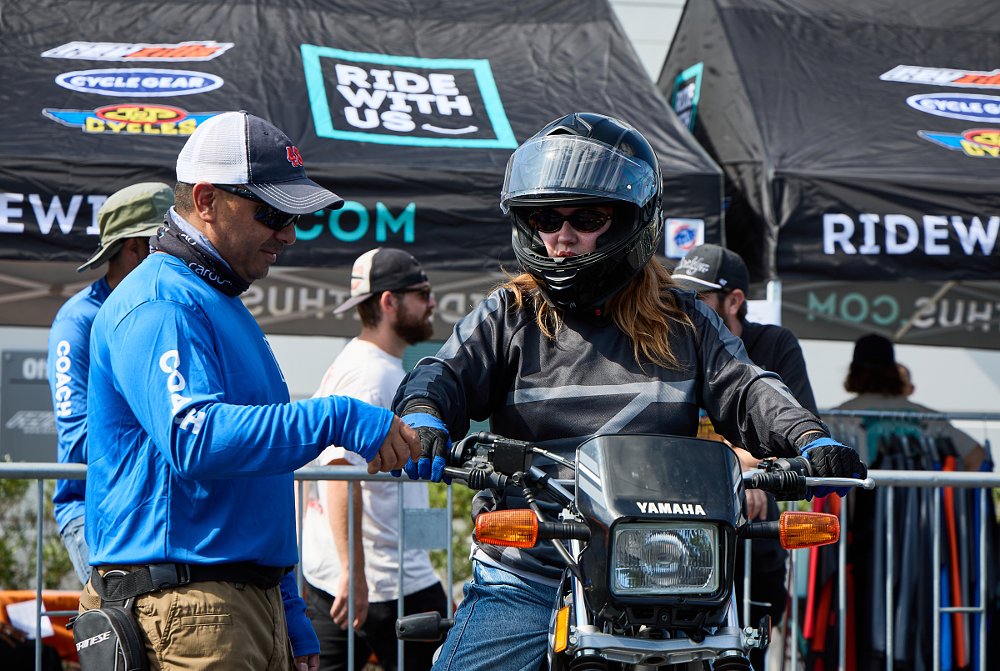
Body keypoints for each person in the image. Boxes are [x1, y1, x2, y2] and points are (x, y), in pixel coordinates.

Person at [391, 112, 866, 671]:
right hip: (533, 567)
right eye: (546, 217)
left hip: (668, 572)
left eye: (586, 217)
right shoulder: (508, 315)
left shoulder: (684, 321)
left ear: (628, 222)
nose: (562, 237)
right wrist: (423, 423)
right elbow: (438, 376)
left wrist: (808, 439)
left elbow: (747, 386)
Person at [80, 111, 420, 671]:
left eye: (294, 216)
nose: (287, 233)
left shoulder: (214, 300)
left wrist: (286, 606)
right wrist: (338, 417)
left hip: (228, 601)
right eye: (272, 212)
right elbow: (197, 441)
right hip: (189, 607)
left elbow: (255, 480)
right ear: (207, 200)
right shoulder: (162, 300)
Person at [672, 242, 818, 667]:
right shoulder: (667, 341)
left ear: (734, 300)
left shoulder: (773, 343)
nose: (682, 306)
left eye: (696, 296)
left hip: (751, 531)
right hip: (669, 525)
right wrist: (734, 462)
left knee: (748, 646)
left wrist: (739, 468)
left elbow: (799, 432)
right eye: (677, 295)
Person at [302, 247, 448, 671]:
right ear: (389, 302)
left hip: (355, 577)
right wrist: (354, 572)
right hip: (384, 581)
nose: (432, 302)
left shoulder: (360, 362)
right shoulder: (371, 373)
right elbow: (337, 473)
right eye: (422, 292)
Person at [47, 181, 173, 585]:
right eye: (166, 240)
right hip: (93, 508)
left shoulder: (167, 305)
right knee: (120, 643)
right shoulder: (78, 320)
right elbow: (78, 438)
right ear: (135, 247)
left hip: (153, 506)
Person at [833, 333, 985, 471]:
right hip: (922, 499)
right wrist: (954, 496)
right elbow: (977, 456)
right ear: (894, 372)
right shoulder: (930, 417)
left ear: (853, 372)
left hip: (860, 496)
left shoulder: (837, 417)